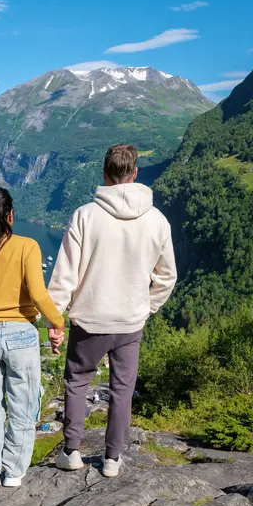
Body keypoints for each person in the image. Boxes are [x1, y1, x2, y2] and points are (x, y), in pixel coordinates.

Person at [48, 144, 177, 477]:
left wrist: (55, 317)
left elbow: (65, 273)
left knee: (77, 382)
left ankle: (72, 452)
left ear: (104, 175)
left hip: (89, 320)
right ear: (134, 174)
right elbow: (166, 277)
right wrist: (147, 307)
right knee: (122, 390)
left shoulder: (85, 216)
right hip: (130, 323)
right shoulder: (157, 220)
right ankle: (112, 459)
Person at [0, 187, 65, 488]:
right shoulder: (27, 246)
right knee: (23, 405)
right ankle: (14, 473)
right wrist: (57, 322)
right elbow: (37, 292)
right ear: (11, 215)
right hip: (21, 336)